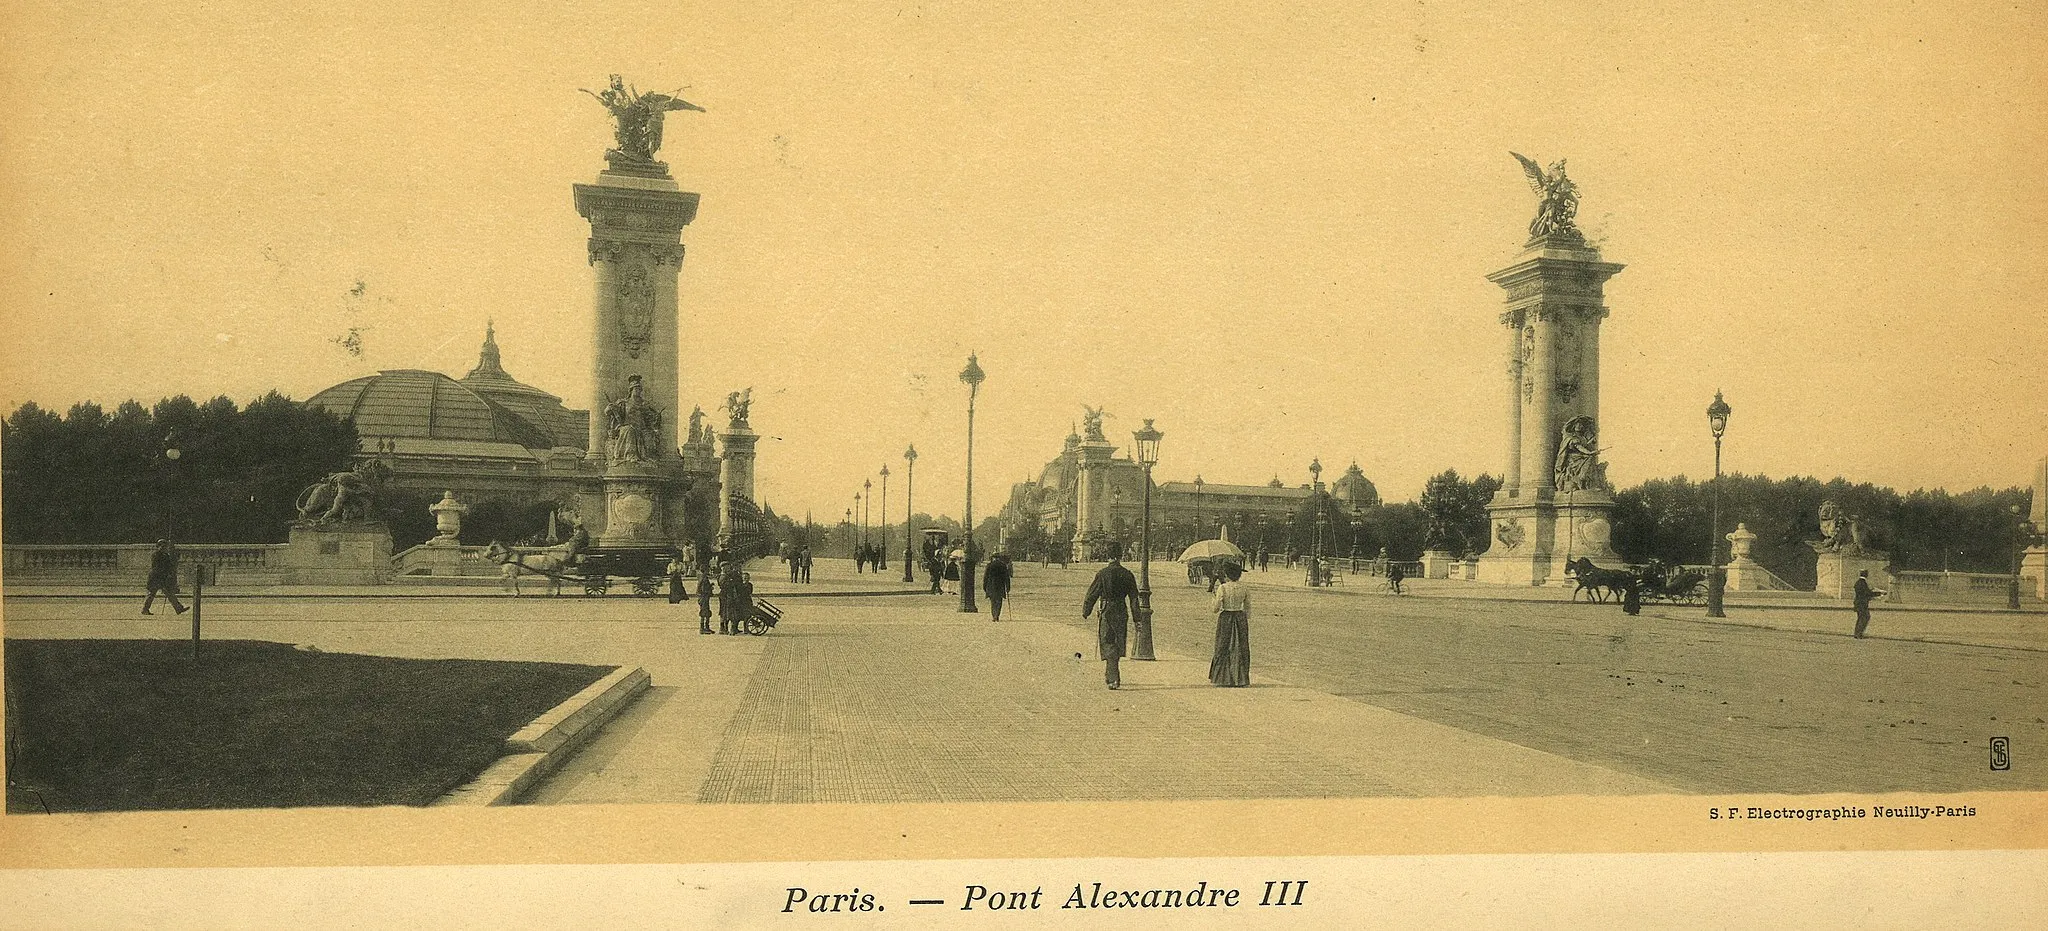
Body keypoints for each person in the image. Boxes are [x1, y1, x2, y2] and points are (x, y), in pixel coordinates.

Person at [1081, 541, 1142, 690]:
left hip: (1107, 610)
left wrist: (1086, 611)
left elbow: (1092, 594)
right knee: (1118, 641)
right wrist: (1137, 618)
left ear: (1107, 555)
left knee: (1107, 640)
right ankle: (1113, 675)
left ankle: (1112, 677)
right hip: (1121, 609)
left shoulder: (1102, 574)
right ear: (1120, 556)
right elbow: (1134, 598)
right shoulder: (1127, 574)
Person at [1209, 561, 1251, 687]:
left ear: (1227, 574)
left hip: (1226, 617)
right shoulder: (1244, 587)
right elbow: (1248, 608)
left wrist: (1213, 598)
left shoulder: (1223, 588)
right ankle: (1240, 678)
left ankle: (1223, 678)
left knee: (1223, 645)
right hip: (1240, 617)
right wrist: (1243, 618)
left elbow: (1215, 609)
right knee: (1240, 646)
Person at [141, 539, 188, 615]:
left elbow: (169, 565)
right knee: (151, 594)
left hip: (162, 578)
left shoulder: (166, 555)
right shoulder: (156, 555)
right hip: (156, 577)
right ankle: (145, 609)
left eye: (165, 546)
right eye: (162, 546)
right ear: (158, 546)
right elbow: (156, 567)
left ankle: (178, 608)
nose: (164, 548)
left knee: (170, 593)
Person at [1852, 570, 1886, 638]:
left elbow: (1864, 592)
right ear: (1866, 575)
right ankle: (1859, 633)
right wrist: (1879, 593)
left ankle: (1857, 633)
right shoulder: (1863, 583)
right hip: (1862, 604)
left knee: (1860, 618)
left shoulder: (1858, 582)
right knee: (1865, 617)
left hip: (1858, 603)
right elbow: (1867, 593)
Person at [983, 552, 1014, 621]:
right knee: (999, 602)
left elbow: (985, 577)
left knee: (993, 602)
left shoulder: (989, 565)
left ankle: (994, 615)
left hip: (991, 586)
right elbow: (1007, 577)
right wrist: (1008, 587)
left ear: (993, 558)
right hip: (1000, 586)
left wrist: (984, 587)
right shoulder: (1003, 565)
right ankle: (997, 615)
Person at [696, 558, 715, 635]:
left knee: (705, 612)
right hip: (704, 597)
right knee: (705, 612)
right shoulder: (704, 578)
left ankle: (706, 627)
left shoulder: (702, 577)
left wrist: (710, 586)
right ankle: (703, 628)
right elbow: (704, 589)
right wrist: (710, 588)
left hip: (702, 597)